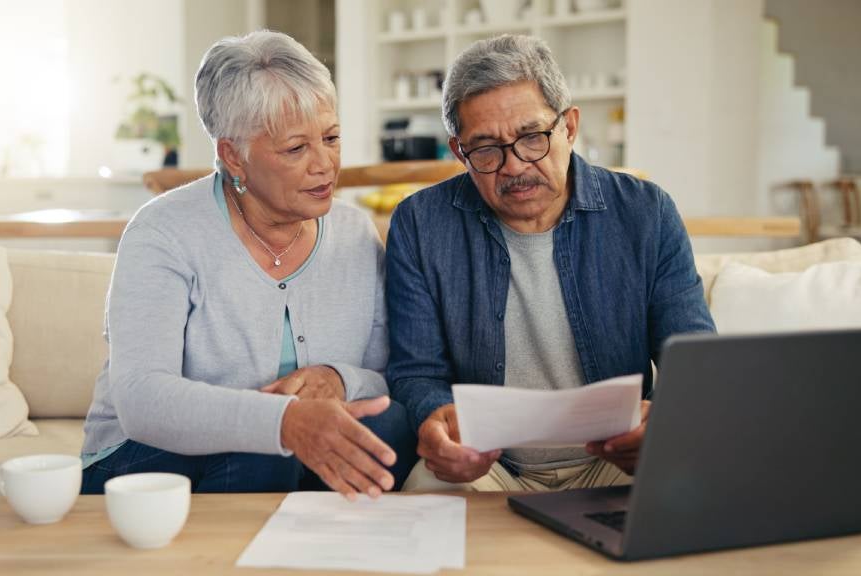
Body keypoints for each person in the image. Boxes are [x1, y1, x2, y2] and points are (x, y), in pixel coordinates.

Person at [80, 30, 415, 499]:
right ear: (233, 155)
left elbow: (387, 372)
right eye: (296, 148)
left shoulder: (356, 234)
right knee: (263, 446)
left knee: (388, 419)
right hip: (144, 457)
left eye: (332, 138)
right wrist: (282, 422)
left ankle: (319, 545)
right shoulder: (162, 232)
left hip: (283, 460)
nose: (325, 164)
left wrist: (339, 379)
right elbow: (141, 399)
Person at [386, 35, 716, 492]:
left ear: (570, 127)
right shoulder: (420, 224)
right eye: (485, 150)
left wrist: (663, 424)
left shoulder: (645, 212)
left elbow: (694, 361)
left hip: (619, 458)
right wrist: (435, 420)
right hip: (491, 467)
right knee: (425, 493)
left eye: (531, 138)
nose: (515, 166)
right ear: (459, 152)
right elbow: (416, 371)